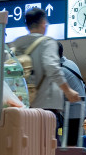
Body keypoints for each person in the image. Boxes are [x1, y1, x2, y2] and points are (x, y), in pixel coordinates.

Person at [11, 8, 80, 136]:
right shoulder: (47, 43)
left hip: (22, 107)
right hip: (45, 107)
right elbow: (52, 67)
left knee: (26, 146)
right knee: (46, 147)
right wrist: (68, 91)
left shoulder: (15, 46)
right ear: (43, 23)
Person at [58, 43, 86, 146]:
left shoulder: (61, 70)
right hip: (79, 109)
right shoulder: (70, 63)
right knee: (72, 144)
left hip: (73, 111)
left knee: (69, 146)